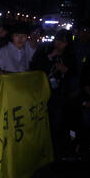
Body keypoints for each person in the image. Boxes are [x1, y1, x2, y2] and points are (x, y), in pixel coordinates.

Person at [30, 29, 77, 161]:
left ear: (67, 43)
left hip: (60, 95)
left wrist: (66, 70)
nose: (59, 44)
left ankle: (55, 151)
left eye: (63, 42)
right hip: (42, 93)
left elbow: (74, 74)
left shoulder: (70, 55)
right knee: (42, 120)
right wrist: (50, 57)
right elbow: (34, 67)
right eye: (57, 40)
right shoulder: (45, 50)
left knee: (57, 123)